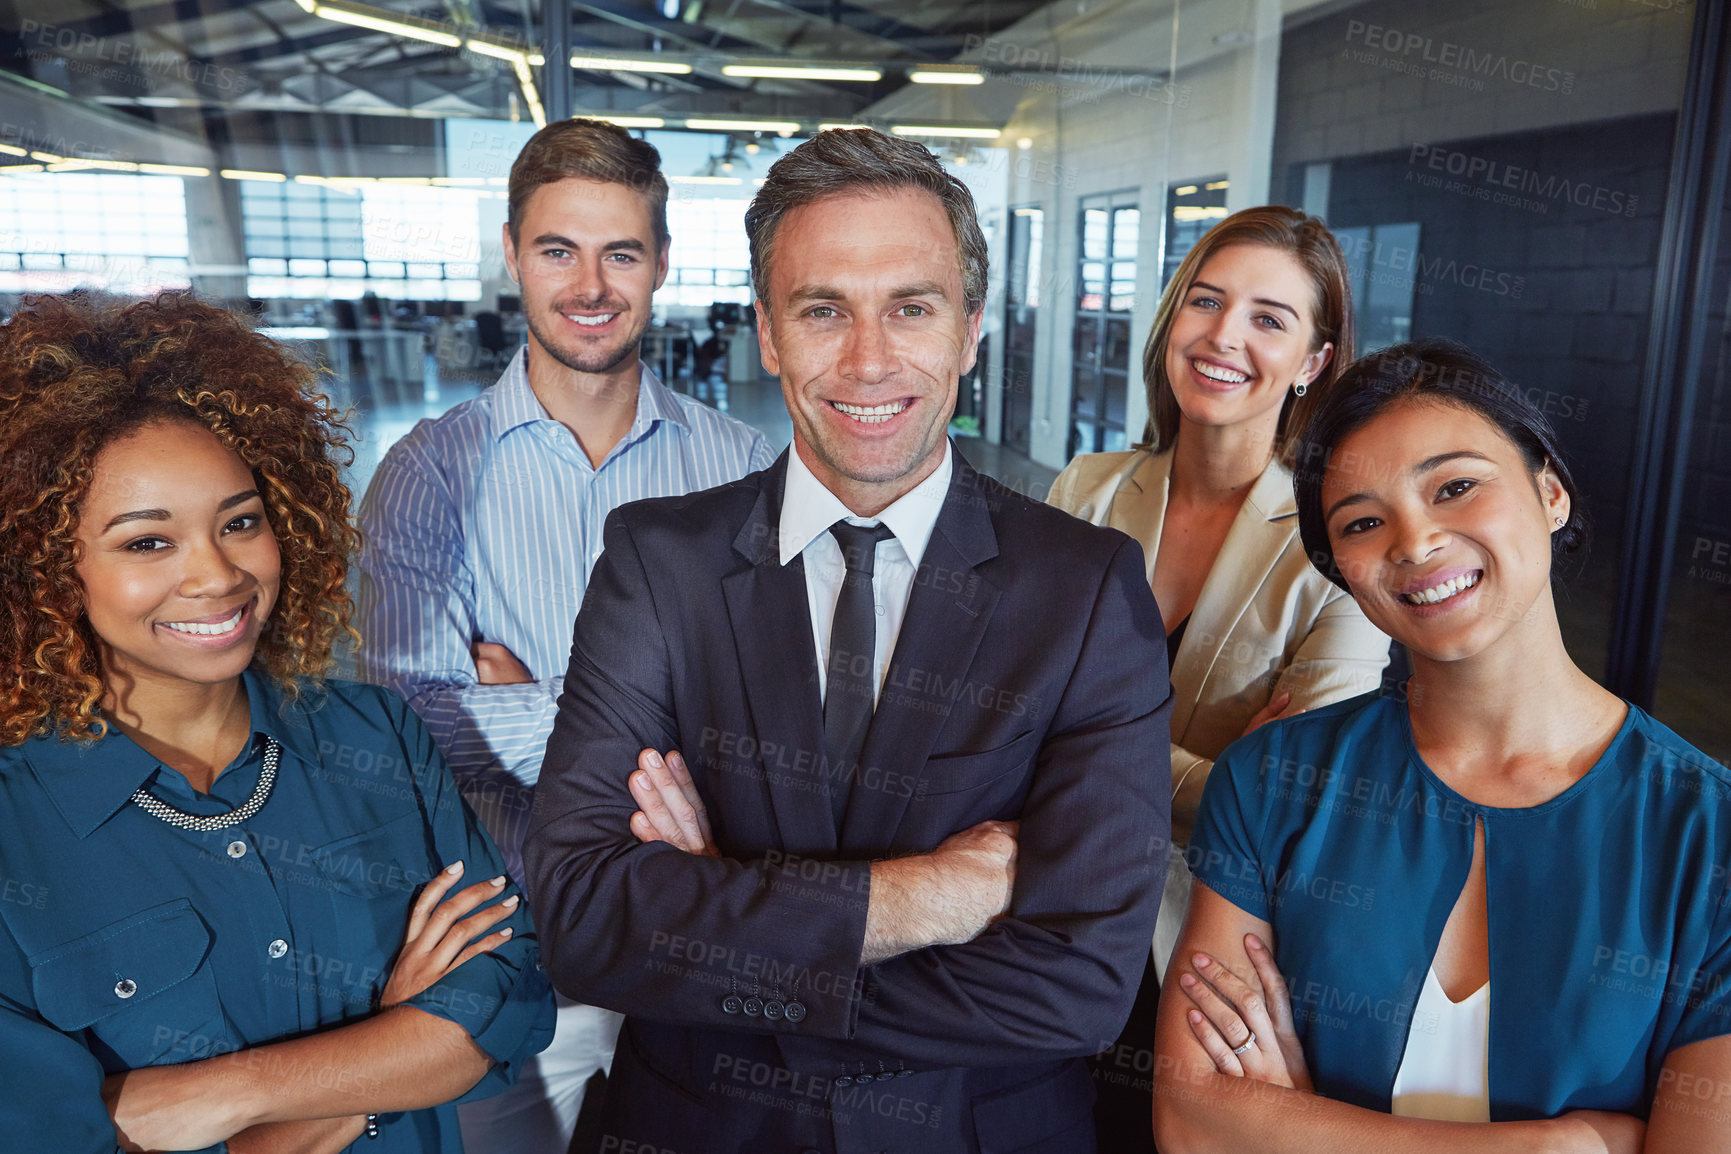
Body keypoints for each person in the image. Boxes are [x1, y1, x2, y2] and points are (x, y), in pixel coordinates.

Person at [522, 127, 1173, 1153]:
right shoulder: (659, 564)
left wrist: (725, 919)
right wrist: (923, 896)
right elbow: (584, 916)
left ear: (969, 331)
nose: (870, 360)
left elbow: (1082, 983)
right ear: (770, 335)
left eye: (911, 307)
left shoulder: (1085, 589)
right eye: (823, 310)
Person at [0, 291, 554, 1154]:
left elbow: (500, 1006)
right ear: (41, 568)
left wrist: (221, 1096)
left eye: (240, 522)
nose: (217, 575)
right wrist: (381, 1056)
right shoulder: (17, 826)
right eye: (148, 542)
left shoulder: (381, 740)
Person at [1154, 339, 1731, 1152]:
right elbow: (1193, 1124)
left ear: (1551, 491)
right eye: (1362, 521)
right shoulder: (1270, 782)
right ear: (1342, 571)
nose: (1415, 542)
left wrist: (1297, 1127)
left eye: (1454, 486)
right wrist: (1552, 1147)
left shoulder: (1707, 833)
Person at [356, 118, 774, 1152]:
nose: (590, 285)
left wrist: (525, 693)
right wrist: (651, 706)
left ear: (662, 262)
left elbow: (769, 712)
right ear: (513, 254)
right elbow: (409, 730)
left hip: (696, 925)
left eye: (620, 252)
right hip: (512, 937)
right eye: (558, 250)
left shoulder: (743, 466)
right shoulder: (427, 473)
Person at [1047, 205, 1390, 1145]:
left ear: (1314, 360)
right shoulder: (1088, 490)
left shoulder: (1335, 542)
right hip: (1043, 908)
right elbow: (1007, 725)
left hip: (1202, 951)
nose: (1223, 336)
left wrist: (1081, 748)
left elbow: (1291, 799)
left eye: (1269, 318)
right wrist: (1215, 774)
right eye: (1206, 301)